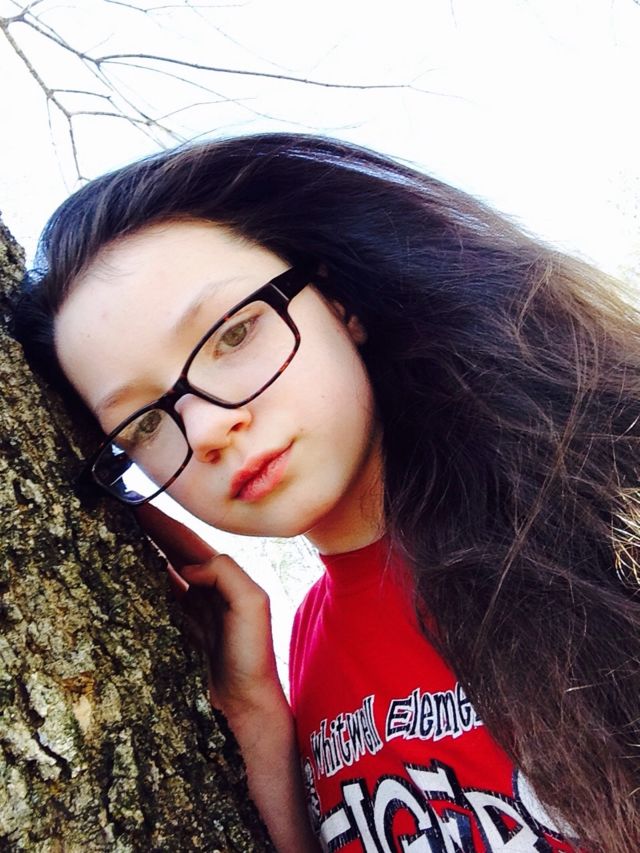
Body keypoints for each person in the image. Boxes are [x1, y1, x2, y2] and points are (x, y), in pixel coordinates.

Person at [12, 133, 640, 853]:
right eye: (146, 421)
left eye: (233, 333)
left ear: (339, 302)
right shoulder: (303, 658)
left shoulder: (604, 513)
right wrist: (256, 719)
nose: (208, 428)